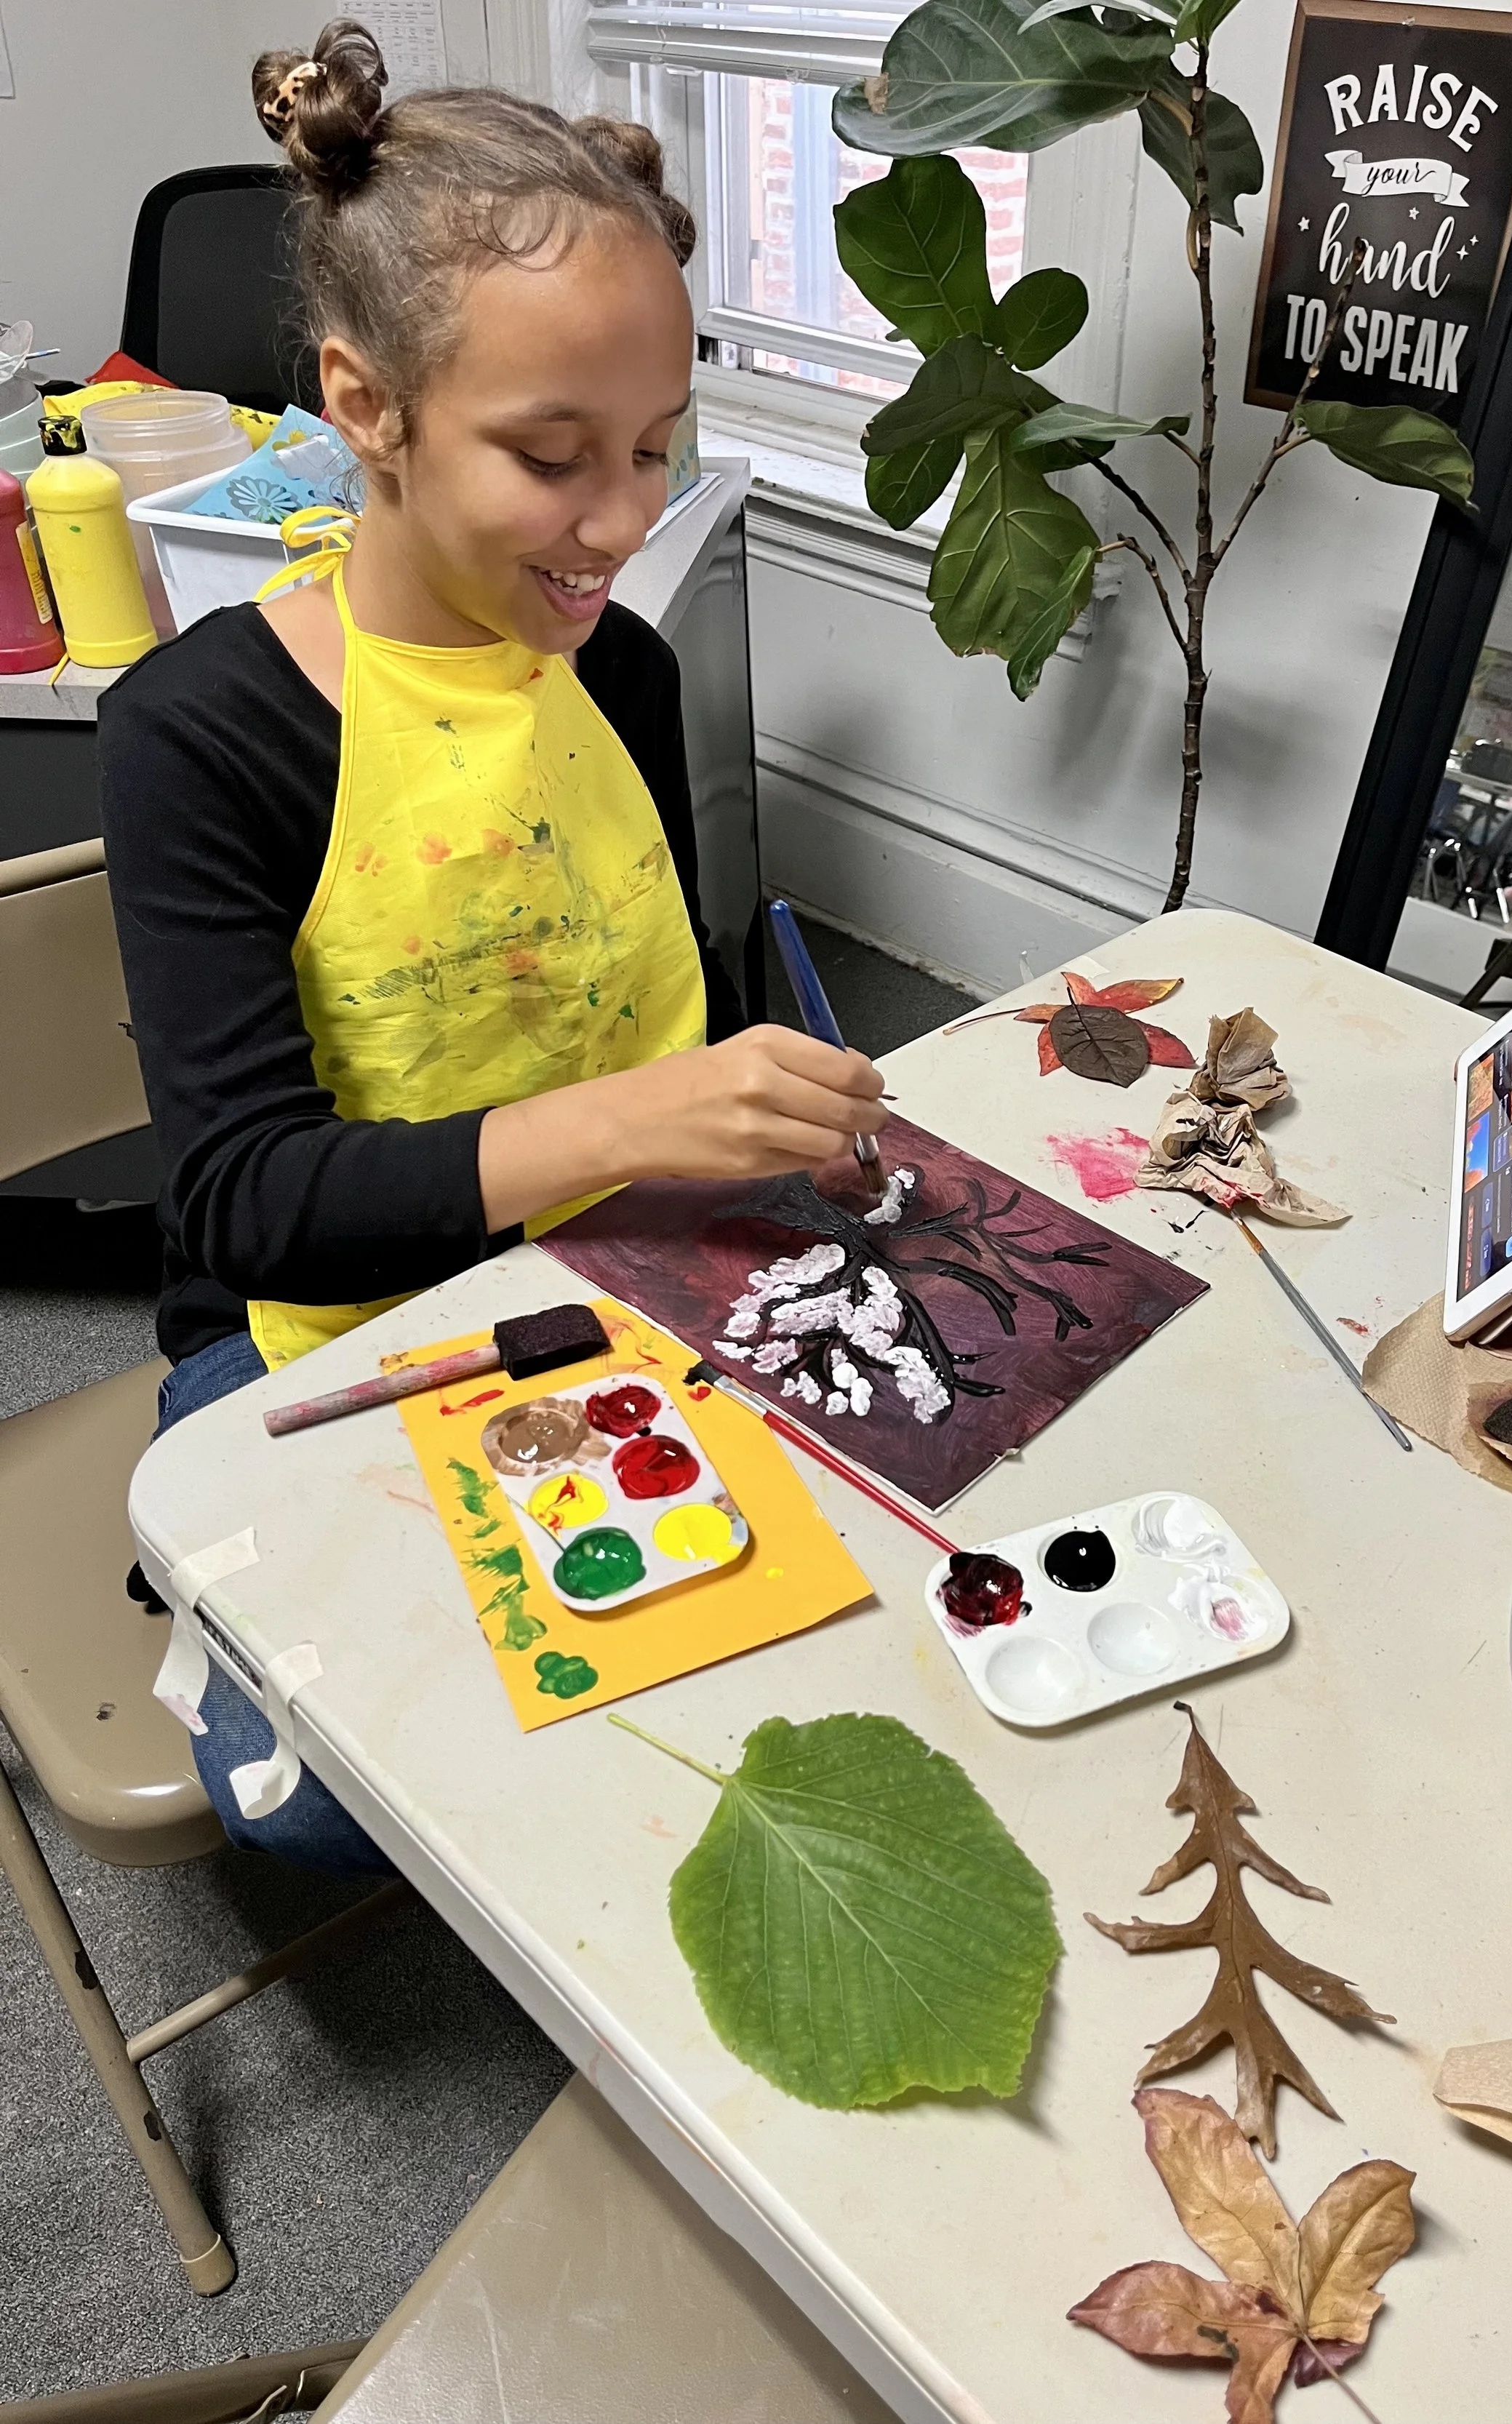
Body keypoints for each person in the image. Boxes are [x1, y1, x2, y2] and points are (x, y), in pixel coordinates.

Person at [98, 19, 884, 1874]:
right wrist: (637, 1124)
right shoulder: (199, 735)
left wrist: (760, 1104)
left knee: (869, 1552)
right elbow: (245, 1201)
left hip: (609, 1257)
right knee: (333, 1823)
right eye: (552, 458)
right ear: (366, 405)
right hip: (325, 1323)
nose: (623, 525)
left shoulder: (620, 665)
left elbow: (656, 984)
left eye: (654, 452)